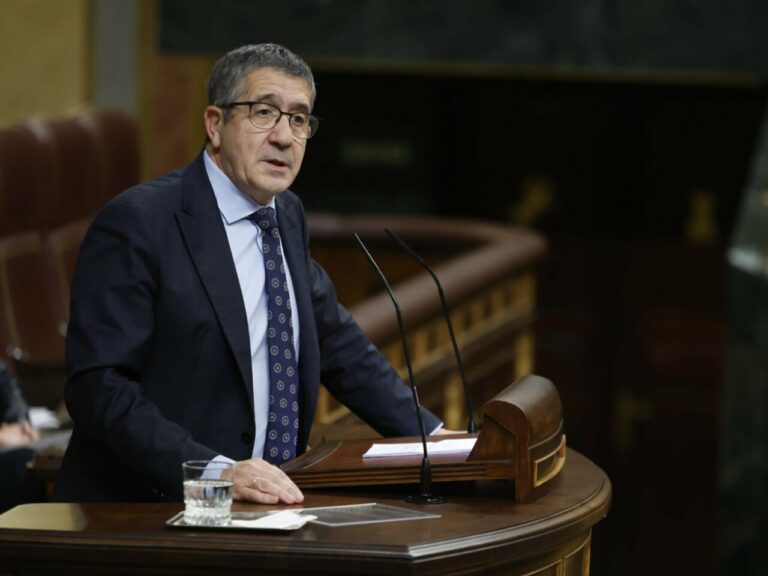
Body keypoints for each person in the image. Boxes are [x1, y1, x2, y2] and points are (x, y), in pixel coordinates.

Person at [54, 43, 446, 505]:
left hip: (264, 509)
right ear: (215, 125)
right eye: (264, 113)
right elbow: (98, 388)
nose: (285, 136)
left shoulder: (286, 213)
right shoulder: (139, 223)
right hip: (147, 512)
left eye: (299, 120)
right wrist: (215, 473)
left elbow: (336, 340)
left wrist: (437, 441)